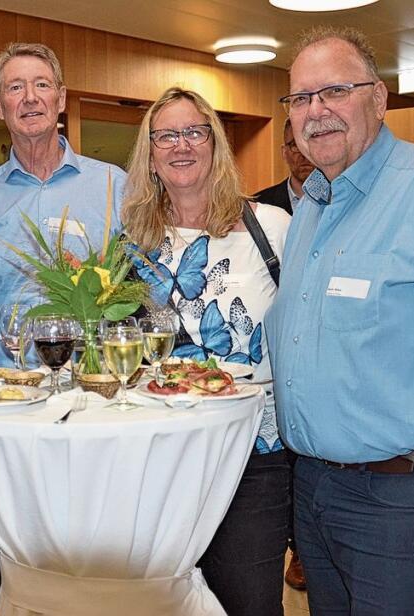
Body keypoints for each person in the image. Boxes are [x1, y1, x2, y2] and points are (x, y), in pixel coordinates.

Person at [0, 42, 126, 614]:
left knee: (98, 555)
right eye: (15, 88)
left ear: (62, 98)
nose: (30, 98)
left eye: (41, 84)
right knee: (11, 563)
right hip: (11, 414)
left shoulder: (115, 187)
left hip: (95, 408)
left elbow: (141, 294)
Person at [265, 25, 414, 615]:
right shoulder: (312, 205)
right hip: (313, 489)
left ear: (379, 98)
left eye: (335, 90)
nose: (317, 112)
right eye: (301, 99)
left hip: (403, 501)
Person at [124, 86, 292, 616]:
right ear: (150, 156)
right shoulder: (131, 242)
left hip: (254, 457)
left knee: (249, 600)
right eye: (166, 135)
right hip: (164, 458)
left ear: (215, 145)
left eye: (194, 132)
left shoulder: (272, 227)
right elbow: (120, 348)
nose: (181, 145)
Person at [254, 116, 315, 593]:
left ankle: (303, 547)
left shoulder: (338, 199)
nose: (298, 152)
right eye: (289, 145)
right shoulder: (261, 210)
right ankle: (299, 546)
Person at [254, 117, 315, 215]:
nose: (304, 154)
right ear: (284, 153)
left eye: (310, 143)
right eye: (295, 145)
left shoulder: (341, 198)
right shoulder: (258, 205)